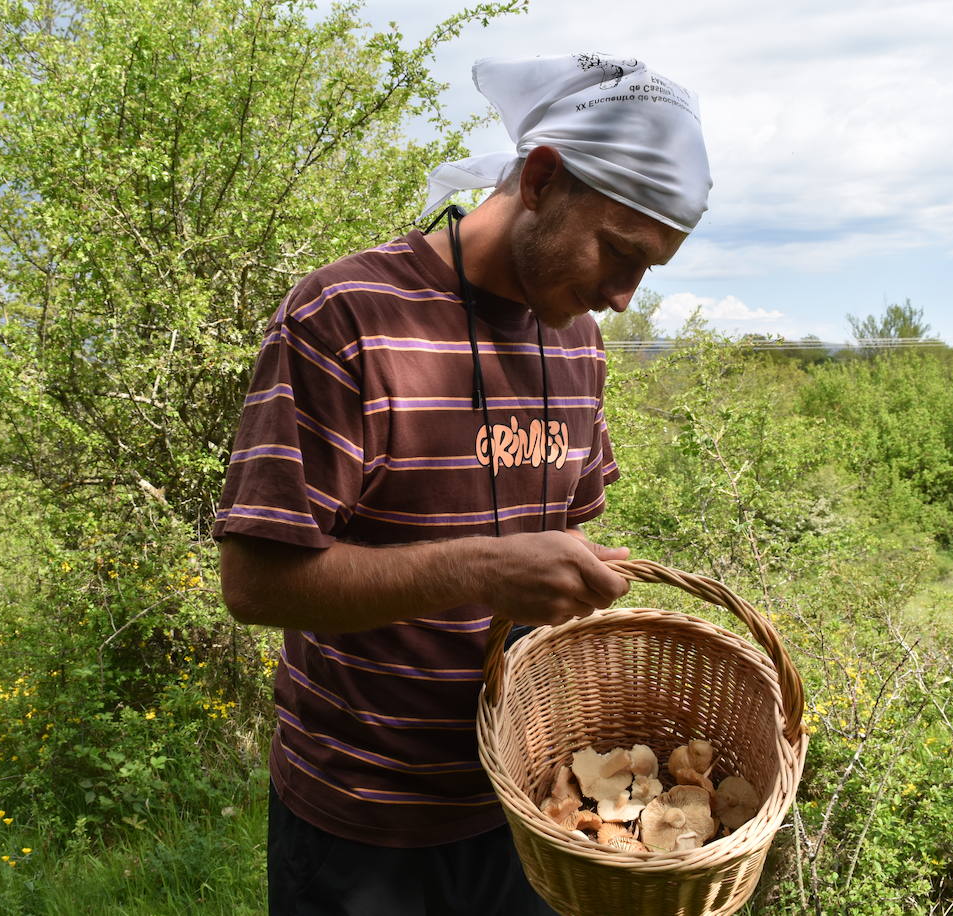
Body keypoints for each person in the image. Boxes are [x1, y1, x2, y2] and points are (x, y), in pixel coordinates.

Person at [214, 51, 711, 916]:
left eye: (649, 271)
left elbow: (561, 536)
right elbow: (255, 583)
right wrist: (485, 570)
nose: (625, 297)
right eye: (620, 253)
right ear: (545, 177)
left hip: (532, 812)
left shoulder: (576, 344)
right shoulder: (348, 318)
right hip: (363, 829)